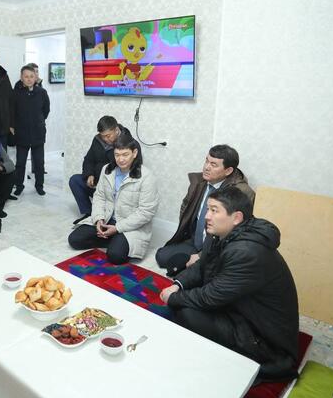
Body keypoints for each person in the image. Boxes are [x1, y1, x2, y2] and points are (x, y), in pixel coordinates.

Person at [160, 186, 299, 382]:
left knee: (187, 312)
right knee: (185, 300)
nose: (207, 216)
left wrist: (173, 298)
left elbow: (210, 296)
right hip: (240, 308)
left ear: (236, 218)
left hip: (263, 338)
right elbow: (202, 265)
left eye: (214, 210)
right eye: (208, 209)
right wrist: (178, 285)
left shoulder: (247, 252)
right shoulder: (220, 233)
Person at [155, 144, 255, 275]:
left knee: (203, 271)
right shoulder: (199, 182)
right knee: (162, 256)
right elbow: (185, 207)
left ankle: (200, 264)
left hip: (218, 248)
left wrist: (201, 255)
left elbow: (237, 231)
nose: (206, 167)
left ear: (228, 171)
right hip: (195, 241)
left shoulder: (240, 192)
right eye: (206, 161)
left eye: (213, 165)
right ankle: (195, 264)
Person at [68, 134, 158, 265]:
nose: (120, 159)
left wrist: (117, 228)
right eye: (117, 155)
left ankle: (115, 240)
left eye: (125, 154)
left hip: (129, 225)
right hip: (108, 217)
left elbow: (146, 212)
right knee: (75, 240)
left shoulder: (147, 177)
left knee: (115, 256)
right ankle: (112, 239)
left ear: (134, 153)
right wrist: (99, 219)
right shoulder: (107, 169)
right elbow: (99, 196)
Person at [68, 115, 137, 224]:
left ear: (116, 130)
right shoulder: (97, 140)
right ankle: (90, 214)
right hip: (97, 183)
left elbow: (126, 169)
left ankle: (111, 218)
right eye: (103, 136)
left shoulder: (129, 144)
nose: (105, 139)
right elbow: (89, 159)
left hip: (114, 189)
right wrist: (90, 174)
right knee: (75, 180)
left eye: (108, 136)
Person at [12, 64, 50, 196]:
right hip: (21, 134)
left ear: (35, 77)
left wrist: (38, 121)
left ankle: (39, 185)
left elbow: (46, 110)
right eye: (26, 76)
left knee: (39, 163)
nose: (29, 79)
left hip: (38, 133)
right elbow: (12, 111)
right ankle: (19, 185)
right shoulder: (16, 93)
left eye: (31, 76)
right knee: (20, 163)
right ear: (21, 77)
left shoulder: (42, 92)